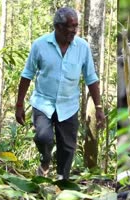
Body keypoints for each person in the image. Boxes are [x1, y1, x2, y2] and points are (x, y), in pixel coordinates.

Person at [15, 7, 105, 180]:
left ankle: (62, 182)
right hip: (43, 102)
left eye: (76, 26)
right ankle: (45, 160)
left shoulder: (82, 47)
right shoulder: (40, 45)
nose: (73, 31)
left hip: (68, 105)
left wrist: (99, 107)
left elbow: (91, 78)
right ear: (57, 26)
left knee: (67, 147)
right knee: (43, 137)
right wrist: (19, 105)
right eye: (69, 26)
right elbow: (27, 75)